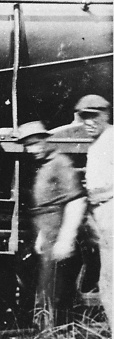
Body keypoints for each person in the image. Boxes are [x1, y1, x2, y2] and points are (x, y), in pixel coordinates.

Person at [16, 120, 87, 329]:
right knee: (45, 290)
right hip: (47, 236)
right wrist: (40, 236)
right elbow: (46, 205)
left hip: (58, 237)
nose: (33, 149)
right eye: (28, 145)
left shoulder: (60, 162)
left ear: (47, 140)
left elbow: (76, 200)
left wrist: (66, 239)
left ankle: (59, 332)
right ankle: (49, 330)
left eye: (37, 143)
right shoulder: (44, 165)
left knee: (57, 294)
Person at [75, 94, 113, 326]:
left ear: (106, 115)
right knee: (107, 281)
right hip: (103, 217)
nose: (89, 122)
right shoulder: (98, 142)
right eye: (84, 117)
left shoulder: (111, 139)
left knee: (110, 282)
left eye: (94, 116)